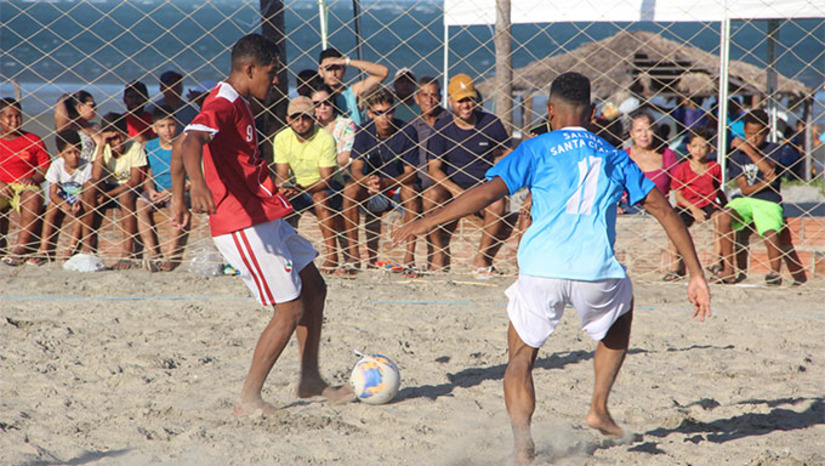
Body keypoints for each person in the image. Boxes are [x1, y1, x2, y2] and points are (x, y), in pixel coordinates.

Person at [391, 71, 712, 464]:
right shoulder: (614, 154)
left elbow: (485, 193)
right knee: (622, 308)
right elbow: (664, 209)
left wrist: (425, 221)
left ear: (550, 111)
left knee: (521, 357)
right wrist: (695, 274)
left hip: (542, 268)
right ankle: (597, 406)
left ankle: (523, 442)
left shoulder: (535, 148)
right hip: (596, 271)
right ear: (593, 113)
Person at [170, 33, 352, 416]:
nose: (276, 81)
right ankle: (248, 399)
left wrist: (175, 194)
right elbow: (189, 142)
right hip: (240, 223)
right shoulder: (223, 101)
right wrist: (193, 187)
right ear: (249, 69)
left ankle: (310, 380)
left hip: (263, 212)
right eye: (272, 73)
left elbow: (183, 142)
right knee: (288, 309)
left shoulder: (240, 101)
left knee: (315, 287)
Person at [426, 73, 512, 278]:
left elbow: (508, 155)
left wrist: (498, 179)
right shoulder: (442, 126)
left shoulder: (491, 123)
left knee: (499, 203)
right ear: (450, 102)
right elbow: (434, 169)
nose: (466, 105)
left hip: (483, 186)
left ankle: (482, 258)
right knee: (430, 197)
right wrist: (456, 191)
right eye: (461, 100)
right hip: (452, 187)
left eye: (470, 99)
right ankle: (439, 253)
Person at [718, 110, 806, 286]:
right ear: (743, 130)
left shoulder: (775, 149)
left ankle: (774, 272)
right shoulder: (736, 155)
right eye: (749, 134)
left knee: (771, 233)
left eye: (758, 134)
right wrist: (764, 183)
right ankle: (728, 269)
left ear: (766, 131)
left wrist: (747, 149)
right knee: (724, 215)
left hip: (769, 200)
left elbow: (768, 170)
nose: (753, 139)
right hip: (745, 199)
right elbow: (744, 188)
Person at [341, 86, 421, 275]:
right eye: (379, 113)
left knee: (411, 190)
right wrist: (368, 181)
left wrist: (386, 183)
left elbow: (411, 173)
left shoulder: (407, 130)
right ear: (369, 113)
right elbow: (356, 170)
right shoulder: (363, 132)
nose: (385, 118)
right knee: (350, 189)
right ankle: (354, 256)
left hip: (396, 189)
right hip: (372, 189)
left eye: (389, 111)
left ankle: (409, 258)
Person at [274, 96, 344, 274]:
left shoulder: (325, 138)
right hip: (298, 187)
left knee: (320, 199)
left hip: (328, 187)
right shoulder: (282, 138)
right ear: (288, 119)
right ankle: (284, 255)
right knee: (280, 203)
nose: (300, 122)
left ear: (314, 118)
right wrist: (284, 187)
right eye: (295, 118)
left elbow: (326, 179)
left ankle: (332, 256)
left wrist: (299, 189)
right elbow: (282, 173)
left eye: (305, 117)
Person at [669, 126, 734, 282]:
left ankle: (715, 260)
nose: (698, 150)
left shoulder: (714, 167)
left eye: (703, 146)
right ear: (688, 147)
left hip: (708, 203)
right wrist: (694, 209)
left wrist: (726, 205)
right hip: (687, 204)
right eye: (695, 146)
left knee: (721, 218)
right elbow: (677, 193)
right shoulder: (682, 168)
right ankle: (676, 265)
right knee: (673, 224)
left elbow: (717, 189)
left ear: (710, 148)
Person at [83, 112, 147, 269]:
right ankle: (88, 245)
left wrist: (107, 195)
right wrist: (102, 146)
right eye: (112, 139)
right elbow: (96, 176)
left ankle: (127, 254)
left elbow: (134, 181)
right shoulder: (103, 148)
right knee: (90, 186)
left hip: (127, 189)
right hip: (108, 186)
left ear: (125, 134)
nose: (117, 142)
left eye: (120, 137)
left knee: (125, 196)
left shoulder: (134, 147)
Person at [136, 105, 187, 272]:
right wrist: (151, 190)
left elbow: (192, 179)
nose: (168, 130)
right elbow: (149, 175)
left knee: (176, 207)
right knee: (140, 204)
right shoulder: (150, 147)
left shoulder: (184, 145)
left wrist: (172, 191)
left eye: (171, 125)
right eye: (162, 126)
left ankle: (171, 257)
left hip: (179, 191)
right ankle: (153, 254)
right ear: (155, 128)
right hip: (157, 192)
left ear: (177, 125)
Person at [31, 130, 92, 264]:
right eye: (69, 153)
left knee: (80, 211)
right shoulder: (56, 165)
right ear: (60, 154)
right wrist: (62, 203)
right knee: (51, 207)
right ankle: (44, 247)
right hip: (63, 196)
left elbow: (88, 191)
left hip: (81, 196)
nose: (74, 156)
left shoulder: (87, 166)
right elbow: (52, 193)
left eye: (77, 151)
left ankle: (71, 247)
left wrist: (78, 201)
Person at [0, 98, 49, 265]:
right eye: (9, 116)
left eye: (18, 116)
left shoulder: (33, 139)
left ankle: (20, 248)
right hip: (2, 187)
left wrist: (34, 179)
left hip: (25, 187)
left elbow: (45, 167)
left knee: (33, 198)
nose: (14, 120)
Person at [317, 47, 388, 125]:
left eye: (337, 68)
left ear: (343, 70)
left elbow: (383, 72)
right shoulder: (315, 97)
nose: (333, 73)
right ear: (320, 71)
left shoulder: (353, 92)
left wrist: (347, 61)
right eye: (329, 69)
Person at [311, 84, 356, 173]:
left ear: (333, 103)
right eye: (317, 104)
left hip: (342, 175)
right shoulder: (308, 128)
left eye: (327, 102)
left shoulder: (346, 124)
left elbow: (347, 157)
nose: (323, 107)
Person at [55, 90, 98, 161]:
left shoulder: (95, 126)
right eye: (92, 105)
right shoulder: (69, 127)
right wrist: (64, 98)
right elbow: (60, 114)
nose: (95, 108)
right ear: (80, 107)